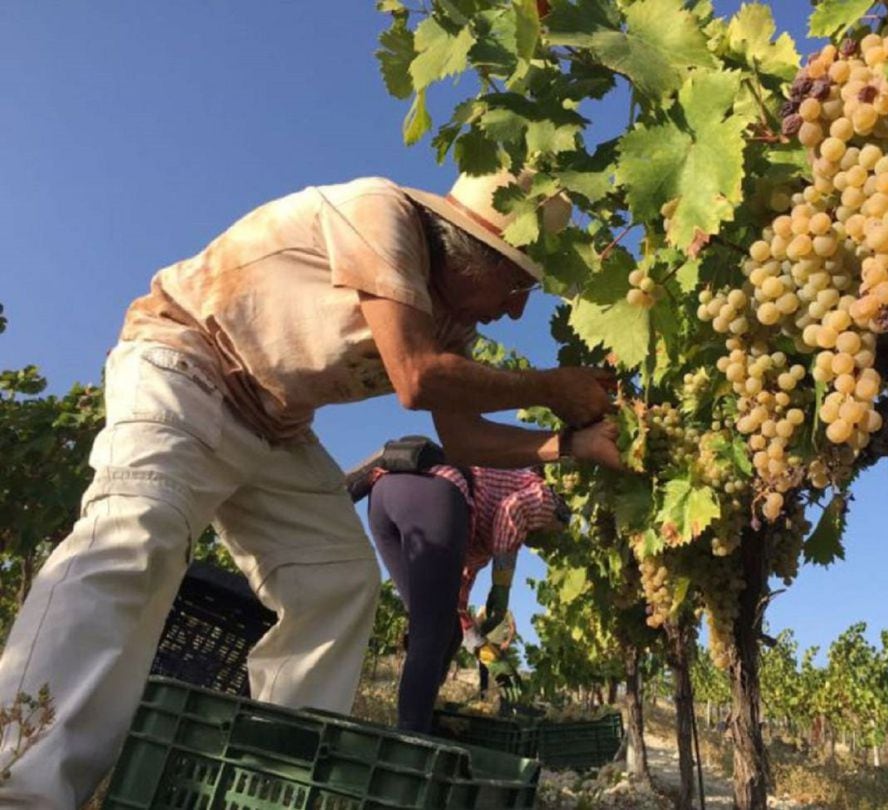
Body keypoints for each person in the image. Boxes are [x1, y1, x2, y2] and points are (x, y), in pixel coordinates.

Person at [0, 170, 622, 809]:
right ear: (474, 248)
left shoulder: (451, 323)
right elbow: (415, 379)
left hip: (275, 422)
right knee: (135, 533)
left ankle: (272, 784)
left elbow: (460, 437)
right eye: (517, 280)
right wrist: (549, 387)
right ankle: (19, 785)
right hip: (185, 364)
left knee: (339, 581)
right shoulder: (384, 213)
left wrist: (572, 445)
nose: (517, 307)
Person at [366, 459, 574, 732]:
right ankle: (411, 740)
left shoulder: (471, 540)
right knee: (433, 630)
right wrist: (502, 589)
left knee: (442, 624)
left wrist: (493, 659)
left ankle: (420, 720)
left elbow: (458, 610)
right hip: (435, 491)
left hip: (385, 497)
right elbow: (512, 511)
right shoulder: (551, 499)